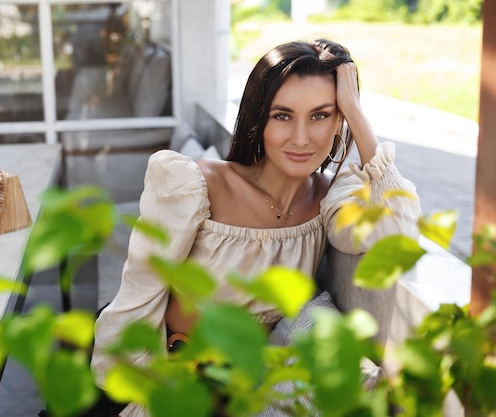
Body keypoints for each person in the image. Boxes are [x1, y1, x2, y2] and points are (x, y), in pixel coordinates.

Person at [91, 38, 422, 417]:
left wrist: (356, 112)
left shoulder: (330, 201)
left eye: (320, 115)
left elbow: (401, 230)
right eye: (282, 115)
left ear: (338, 121)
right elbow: (138, 296)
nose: (301, 138)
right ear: (257, 118)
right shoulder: (195, 184)